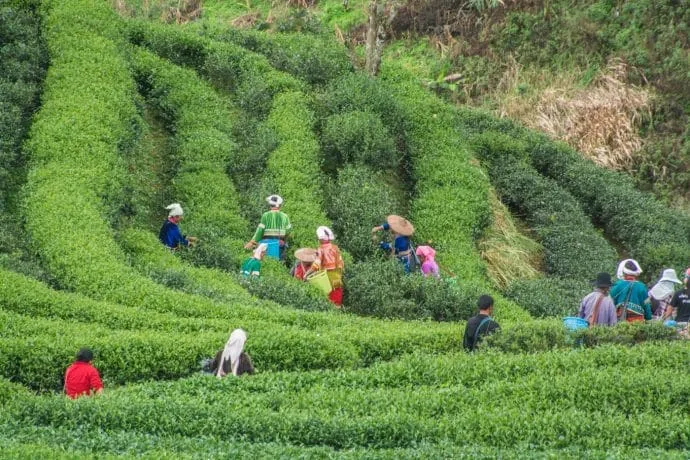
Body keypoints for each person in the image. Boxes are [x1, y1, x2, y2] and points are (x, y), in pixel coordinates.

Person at [245, 195, 291, 260]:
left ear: (270, 205)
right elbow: (289, 231)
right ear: (280, 205)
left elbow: (260, 231)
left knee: (267, 260)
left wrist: (252, 242)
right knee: (278, 263)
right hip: (279, 244)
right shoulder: (285, 216)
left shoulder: (265, 215)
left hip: (267, 244)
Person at [308, 226, 345, 306]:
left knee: (328, 302)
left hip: (326, 280)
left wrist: (306, 274)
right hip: (337, 280)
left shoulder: (321, 249)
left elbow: (316, 265)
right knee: (337, 304)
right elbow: (341, 264)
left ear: (320, 239)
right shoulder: (335, 248)